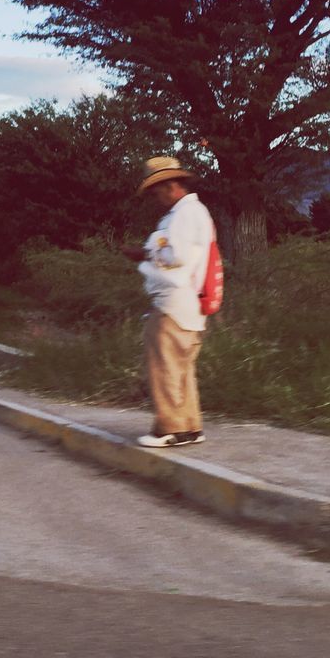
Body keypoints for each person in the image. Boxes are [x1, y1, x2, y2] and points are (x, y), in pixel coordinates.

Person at [121, 157, 214, 448]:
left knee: (164, 367)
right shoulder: (193, 212)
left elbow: (177, 256)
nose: (154, 197)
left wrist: (144, 254)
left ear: (170, 186)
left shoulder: (184, 215)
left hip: (174, 302)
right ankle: (190, 426)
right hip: (188, 303)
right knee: (181, 368)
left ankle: (170, 429)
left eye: (155, 191)